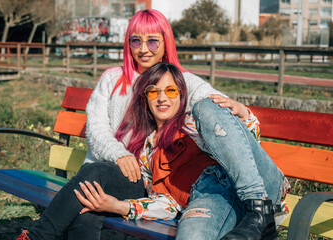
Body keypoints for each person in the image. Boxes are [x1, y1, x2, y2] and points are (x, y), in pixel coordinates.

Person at [16, 9, 285, 240]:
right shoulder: (115, 84)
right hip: (141, 174)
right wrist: (121, 160)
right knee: (89, 206)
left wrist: (243, 111)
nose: (144, 49)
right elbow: (96, 129)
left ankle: (258, 210)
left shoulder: (184, 85)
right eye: (136, 40)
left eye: (153, 42)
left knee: (93, 186)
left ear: (166, 43)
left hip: (215, 180)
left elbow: (219, 115)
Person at [74, 62, 290, 240]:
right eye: (153, 92)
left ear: (181, 94)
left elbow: (248, 148)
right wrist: (120, 206)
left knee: (206, 106)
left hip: (260, 185)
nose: (162, 98)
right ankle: (257, 223)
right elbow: (167, 203)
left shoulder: (196, 121)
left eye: (170, 90)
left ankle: (259, 210)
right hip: (209, 198)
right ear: (145, 99)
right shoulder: (147, 152)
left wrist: (244, 115)